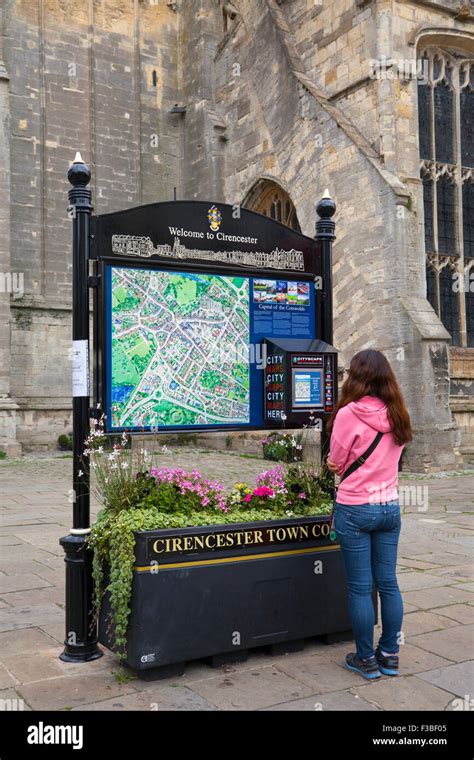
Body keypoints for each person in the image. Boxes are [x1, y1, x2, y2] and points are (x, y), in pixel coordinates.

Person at [326, 348, 413, 680]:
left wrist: (336, 464)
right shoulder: (398, 412)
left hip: (355, 508)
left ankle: (365, 658)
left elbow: (336, 460)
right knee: (389, 583)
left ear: (356, 377)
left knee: (361, 589)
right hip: (389, 506)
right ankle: (390, 655)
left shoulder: (349, 413)